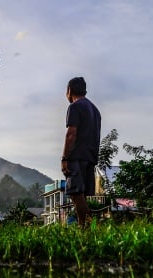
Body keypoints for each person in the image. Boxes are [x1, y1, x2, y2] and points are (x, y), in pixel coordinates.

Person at [61, 77, 101, 228]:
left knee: (75, 193)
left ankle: (87, 228)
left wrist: (65, 158)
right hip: (90, 157)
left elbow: (71, 133)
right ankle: (85, 227)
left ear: (69, 91)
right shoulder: (95, 110)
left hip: (76, 156)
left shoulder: (75, 106)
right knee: (82, 194)